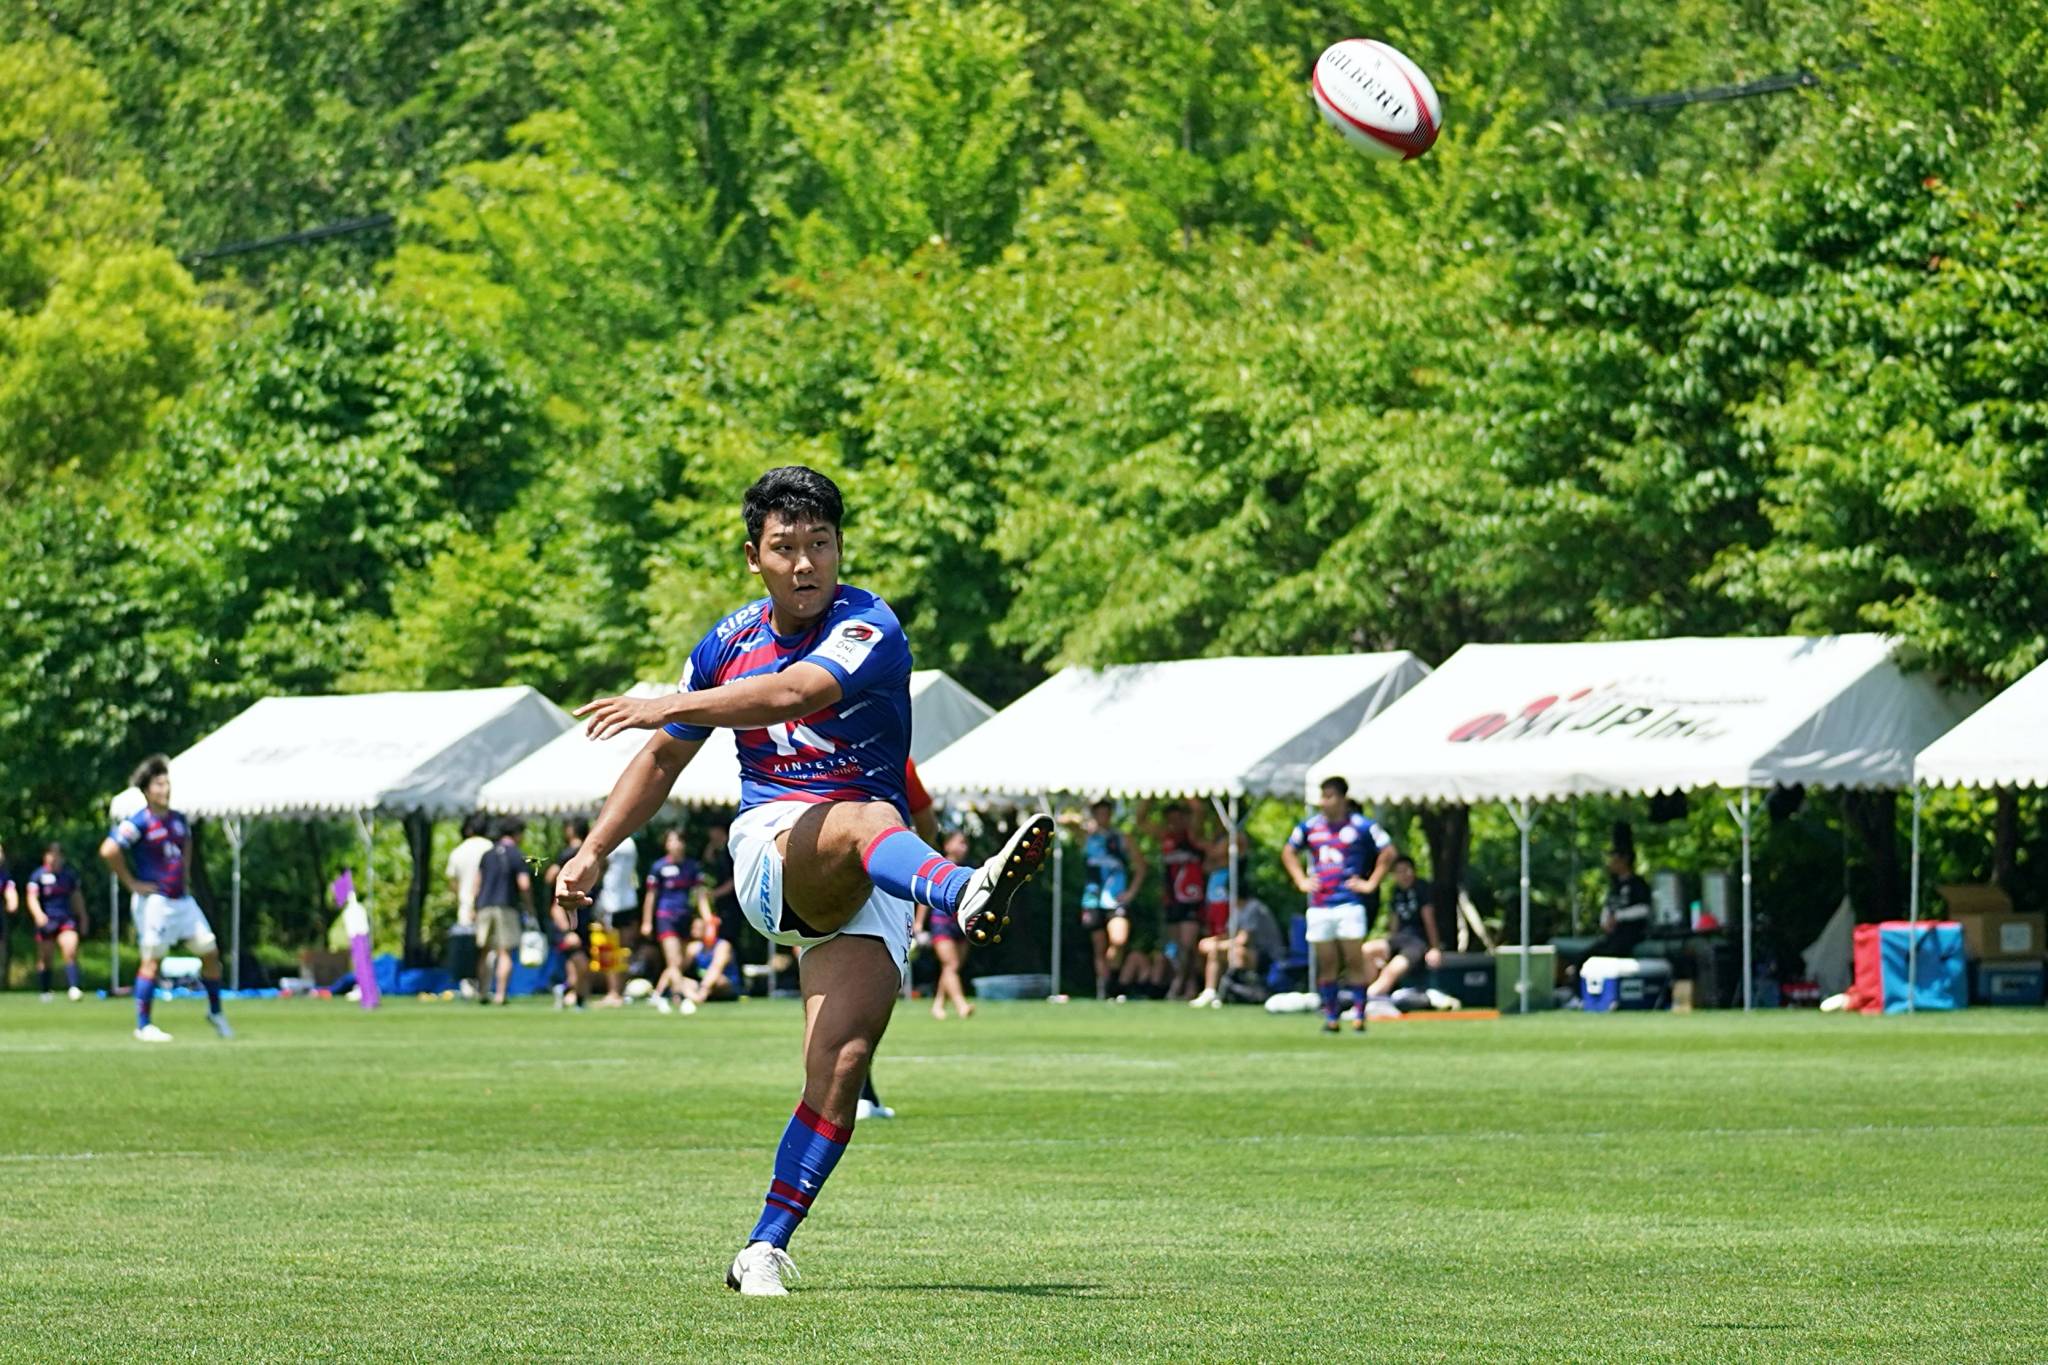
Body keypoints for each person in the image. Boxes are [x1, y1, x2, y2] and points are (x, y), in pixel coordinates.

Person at [555, 465, 1053, 1296]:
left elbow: (795, 692)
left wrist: (668, 701)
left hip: (868, 865)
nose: (805, 562)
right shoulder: (726, 642)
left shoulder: (869, 623)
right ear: (754, 556)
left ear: (840, 548)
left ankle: (763, 1246)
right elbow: (662, 761)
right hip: (773, 849)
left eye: (820, 543)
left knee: (842, 1064)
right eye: (785, 547)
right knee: (865, 815)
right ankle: (962, 891)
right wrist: (594, 849)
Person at [99, 755, 233, 1043]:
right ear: (147, 790)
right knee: (152, 961)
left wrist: (183, 875)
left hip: (182, 899)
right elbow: (109, 850)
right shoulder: (139, 821)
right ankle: (143, 1025)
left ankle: (215, 1012)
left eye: (167, 783)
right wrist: (131, 883)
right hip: (156, 902)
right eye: (159, 784)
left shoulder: (179, 819)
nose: (166, 789)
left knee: (210, 952)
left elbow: (187, 846)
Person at [1281, 776, 1395, 1033]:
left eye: (1329, 796)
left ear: (1343, 798)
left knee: (1354, 959)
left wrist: (1370, 883)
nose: (1324, 802)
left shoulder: (1361, 826)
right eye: (1322, 796)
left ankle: (1359, 1014)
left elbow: (1388, 852)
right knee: (1327, 962)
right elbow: (1288, 851)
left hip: (1349, 902)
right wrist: (1300, 880)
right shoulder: (1310, 827)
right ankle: (1331, 1016)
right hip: (1320, 904)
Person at [1076, 799, 1145, 1001]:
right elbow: (1062, 820)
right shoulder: (1087, 837)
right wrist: (1085, 824)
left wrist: (1131, 892)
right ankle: (1104, 988)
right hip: (1092, 898)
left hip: (1115, 898)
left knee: (1119, 940)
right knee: (1099, 947)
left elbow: (1141, 866)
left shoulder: (1121, 838)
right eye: (1099, 813)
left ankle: (1113, 981)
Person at [1139, 799, 1208, 1000]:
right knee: (1178, 946)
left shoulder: (1193, 836)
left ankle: (1180, 985)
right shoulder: (1165, 837)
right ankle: (1189, 985)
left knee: (1187, 944)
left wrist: (1186, 792)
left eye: (1179, 818)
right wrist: (1149, 795)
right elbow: (1141, 821)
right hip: (1172, 899)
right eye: (1171, 819)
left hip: (1191, 898)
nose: (1175, 823)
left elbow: (1199, 810)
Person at [644, 827, 711, 1014]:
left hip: (685, 918)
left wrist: (707, 917)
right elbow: (651, 896)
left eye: (678, 840)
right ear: (666, 845)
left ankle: (661, 995)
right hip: (665, 917)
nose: (675, 844)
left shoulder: (692, 866)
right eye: (671, 841)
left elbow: (700, 894)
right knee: (673, 961)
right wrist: (647, 921)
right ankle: (682, 998)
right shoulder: (659, 867)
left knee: (679, 962)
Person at [916, 828, 975, 1020]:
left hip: (961, 924)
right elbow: (926, 897)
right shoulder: (939, 868)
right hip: (941, 923)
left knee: (951, 967)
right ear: (948, 845)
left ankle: (938, 1004)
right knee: (951, 964)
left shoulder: (966, 870)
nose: (964, 847)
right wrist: (919, 923)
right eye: (960, 842)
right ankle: (961, 1005)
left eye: (965, 843)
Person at [1364, 855, 1442, 999]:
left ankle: (1368, 998)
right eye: (1399, 872)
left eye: (1406, 870)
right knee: (1366, 950)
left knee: (1390, 971)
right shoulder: (1396, 891)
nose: (1404, 875)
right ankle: (1368, 989)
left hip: (1417, 943)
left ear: (1413, 871)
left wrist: (1434, 948)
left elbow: (1429, 919)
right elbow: (1394, 921)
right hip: (1399, 939)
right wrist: (1388, 948)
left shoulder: (1422, 888)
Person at [474, 817, 532, 1006]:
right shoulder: (517, 854)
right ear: (517, 834)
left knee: (484, 951)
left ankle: (482, 992)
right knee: (504, 952)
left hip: (484, 906)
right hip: (506, 906)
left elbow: (477, 883)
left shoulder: (487, 854)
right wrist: (530, 907)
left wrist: (475, 906)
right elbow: (524, 885)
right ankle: (500, 994)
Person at [1190, 894, 1283, 1008]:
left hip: (1267, 955)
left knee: (1236, 953)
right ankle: (1210, 992)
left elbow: (1243, 939)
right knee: (1215, 953)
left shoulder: (1254, 908)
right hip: (1250, 952)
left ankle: (1237, 991)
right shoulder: (1237, 910)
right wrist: (1212, 941)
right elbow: (1230, 935)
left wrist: (1216, 945)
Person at [27, 842, 87, 1001]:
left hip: (65, 919)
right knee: (46, 957)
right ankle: (45, 991)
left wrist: (83, 917)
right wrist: (38, 915)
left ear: (62, 857)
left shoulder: (69, 876)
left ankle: (74, 987)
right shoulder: (37, 876)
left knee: (70, 949)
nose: (54, 858)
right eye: (50, 854)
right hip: (46, 920)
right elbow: (32, 898)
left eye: (57, 855)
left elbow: (77, 898)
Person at [544, 818, 593, 1009]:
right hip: (570, 922)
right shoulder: (581, 855)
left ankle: (570, 993)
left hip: (580, 919)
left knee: (577, 965)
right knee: (579, 962)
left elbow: (550, 876)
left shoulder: (571, 854)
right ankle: (571, 994)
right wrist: (567, 931)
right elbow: (556, 907)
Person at [445, 812, 492, 998]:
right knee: (486, 949)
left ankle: (468, 987)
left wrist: (463, 898)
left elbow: (453, 882)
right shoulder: (490, 848)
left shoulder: (458, 851)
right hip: (488, 903)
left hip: (465, 906)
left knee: (466, 948)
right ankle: (485, 987)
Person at [596, 826, 640, 1006]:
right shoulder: (631, 843)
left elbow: (600, 868)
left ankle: (614, 993)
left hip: (611, 901)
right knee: (624, 949)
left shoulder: (609, 841)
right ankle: (621, 991)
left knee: (610, 949)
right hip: (629, 899)